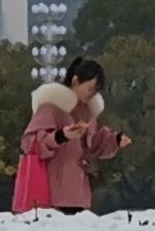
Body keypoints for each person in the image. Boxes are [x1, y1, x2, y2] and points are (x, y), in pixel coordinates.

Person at [14, 58, 126, 213]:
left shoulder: (88, 112)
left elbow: (93, 144)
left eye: (96, 91)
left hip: (80, 192)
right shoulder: (51, 106)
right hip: (54, 193)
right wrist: (61, 136)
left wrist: (115, 139)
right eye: (90, 88)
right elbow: (30, 142)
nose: (92, 94)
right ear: (75, 81)